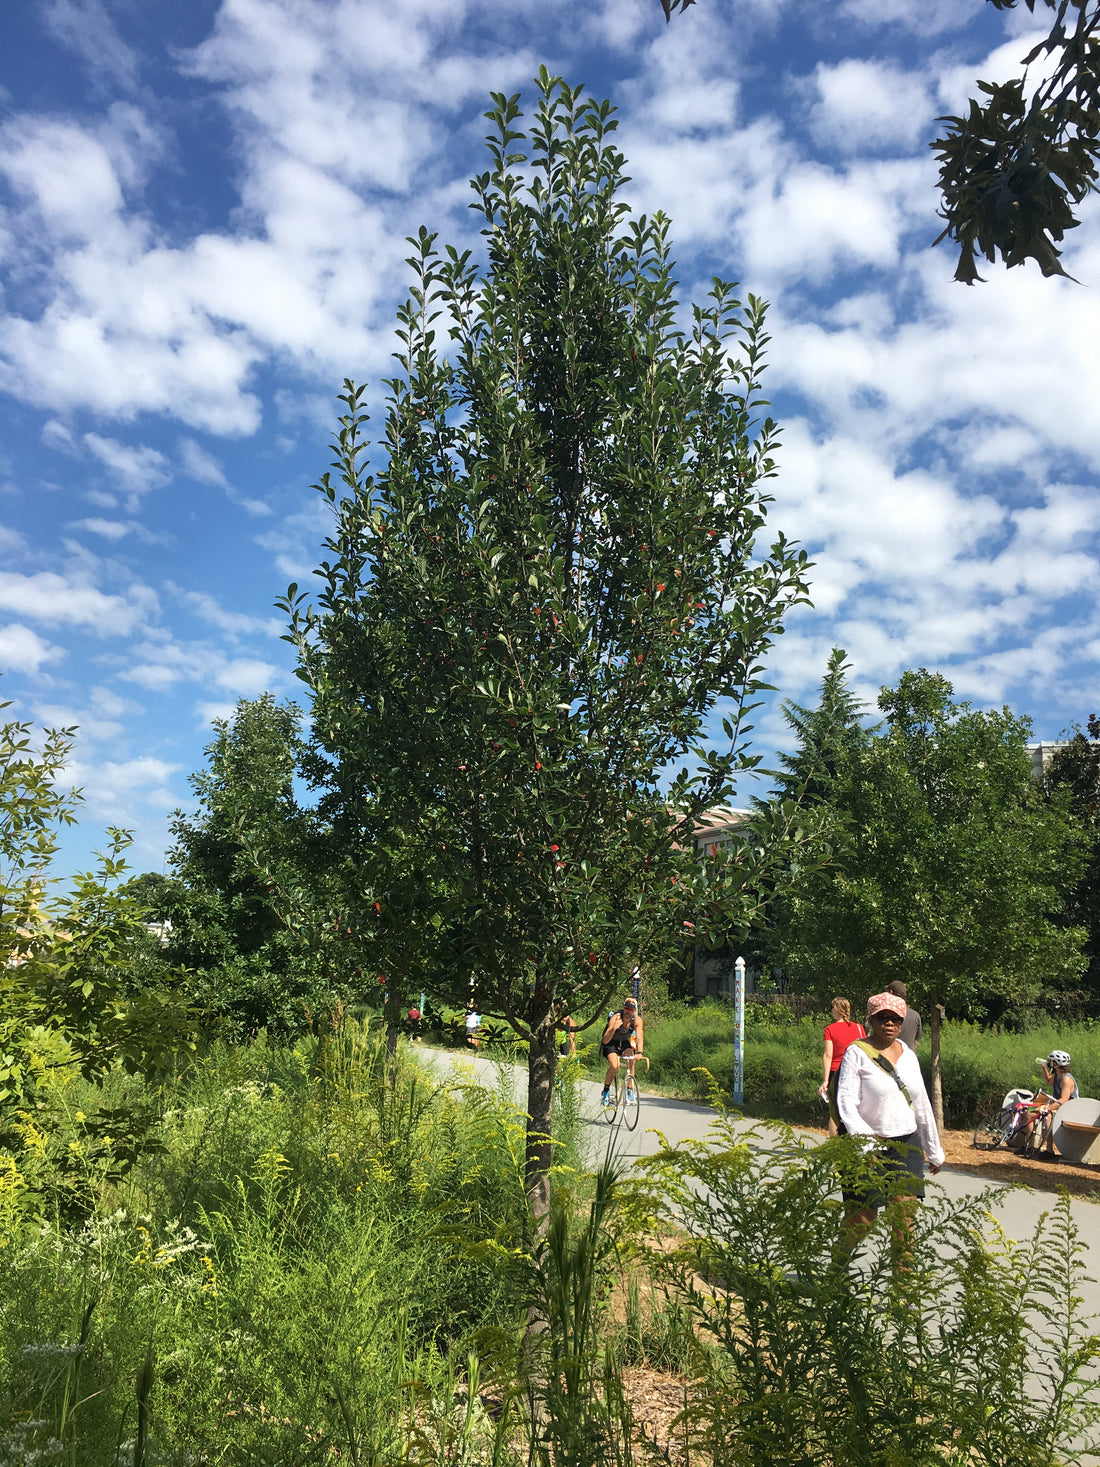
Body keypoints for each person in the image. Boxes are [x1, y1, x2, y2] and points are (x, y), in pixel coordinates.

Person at [835, 991, 944, 1249]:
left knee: (904, 1220)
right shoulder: (857, 1053)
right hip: (866, 1147)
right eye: (882, 1017)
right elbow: (846, 1104)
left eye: (896, 1019)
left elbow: (921, 1103)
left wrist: (934, 1149)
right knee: (863, 1217)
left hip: (906, 1144)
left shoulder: (908, 1054)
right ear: (871, 1020)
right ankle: (837, 1272)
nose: (890, 1023)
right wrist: (866, 1144)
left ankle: (902, 1287)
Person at [818, 997, 865, 1136]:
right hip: (856, 1071)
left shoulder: (830, 1029)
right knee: (855, 1108)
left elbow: (828, 1055)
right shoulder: (859, 1028)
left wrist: (825, 1080)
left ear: (837, 1010)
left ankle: (835, 1145)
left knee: (835, 1111)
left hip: (837, 1072)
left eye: (833, 1008)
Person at [1023, 1049, 1078, 1156]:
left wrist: (1047, 1108)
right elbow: (1049, 1081)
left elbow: (1063, 1100)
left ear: (1056, 1063)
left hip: (1068, 1108)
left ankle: (1049, 1150)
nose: (1049, 1063)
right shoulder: (1057, 1075)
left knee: (1047, 1117)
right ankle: (1029, 1146)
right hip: (1058, 1106)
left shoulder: (1066, 1079)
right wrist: (1043, 1067)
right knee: (1029, 1115)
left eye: (1051, 1061)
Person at [601, 997, 643, 1104]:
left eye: (631, 1009)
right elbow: (605, 1040)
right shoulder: (616, 1017)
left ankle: (629, 1090)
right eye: (626, 1008)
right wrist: (614, 1028)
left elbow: (639, 1037)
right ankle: (605, 1091)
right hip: (610, 1042)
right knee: (615, 1066)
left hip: (623, 1042)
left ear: (634, 1010)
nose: (628, 1011)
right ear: (623, 1008)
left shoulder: (637, 1020)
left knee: (631, 1060)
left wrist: (639, 1052)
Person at [885, 980, 923, 1049]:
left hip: (890, 1058)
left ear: (890, 992)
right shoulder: (915, 1015)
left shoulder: (884, 1016)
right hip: (910, 1058)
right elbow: (915, 1042)